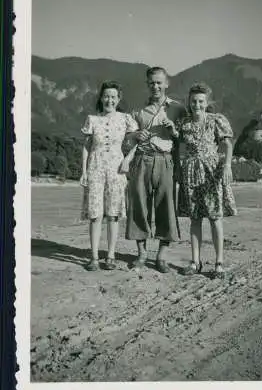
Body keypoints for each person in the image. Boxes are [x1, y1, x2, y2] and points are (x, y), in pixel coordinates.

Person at [125, 66, 186, 273]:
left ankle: (162, 256)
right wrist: (135, 136)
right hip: (141, 160)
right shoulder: (137, 111)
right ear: (147, 84)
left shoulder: (178, 109)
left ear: (167, 83)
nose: (156, 86)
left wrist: (175, 132)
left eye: (159, 82)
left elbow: (186, 141)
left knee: (166, 207)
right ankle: (141, 254)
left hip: (166, 161)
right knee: (139, 206)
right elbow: (127, 139)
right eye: (152, 82)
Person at [176, 83, 237, 279]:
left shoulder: (216, 120)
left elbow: (227, 144)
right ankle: (195, 261)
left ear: (207, 102)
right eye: (193, 101)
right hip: (191, 172)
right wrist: (179, 168)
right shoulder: (184, 123)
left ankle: (219, 262)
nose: (197, 105)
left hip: (212, 172)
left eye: (201, 101)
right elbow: (178, 147)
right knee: (194, 219)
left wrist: (227, 166)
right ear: (189, 102)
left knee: (215, 218)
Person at [80, 81, 138, 271]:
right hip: (95, 168)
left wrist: (128, 159)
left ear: (118, 99)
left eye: (113, 97)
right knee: (95, 215)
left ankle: (111, 256)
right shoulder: (92, 119)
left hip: (116, 170)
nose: (109, 100)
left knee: (113, 215)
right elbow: (86, 147)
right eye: (106, 96)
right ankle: (94, 257)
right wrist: (84, 172)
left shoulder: (125, 119)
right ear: (101, 98)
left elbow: (138, 140)